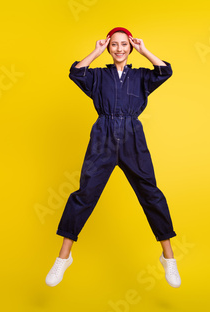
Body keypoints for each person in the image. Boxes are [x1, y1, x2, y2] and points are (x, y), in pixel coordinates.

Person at [45, 27, 181, 288]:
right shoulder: (98, 76)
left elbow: (165, 71)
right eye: (114, 45)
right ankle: (63, 258)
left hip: (132, 137)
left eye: (124, 44)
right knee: (85, 195)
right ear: (109, 47)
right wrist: (95, 51)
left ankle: (168, 257)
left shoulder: (141, 76)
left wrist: (144, 50)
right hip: (102, 138)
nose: (119, 49)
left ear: (130, 48)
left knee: (150, 193)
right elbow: (76, 72)